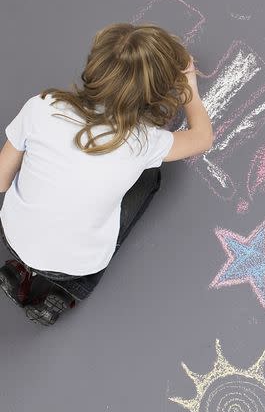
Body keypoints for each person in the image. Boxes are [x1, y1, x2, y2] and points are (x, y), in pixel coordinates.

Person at [0, 23, 215, 325]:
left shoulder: (42, 106)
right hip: (75, 264)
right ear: (154, 94)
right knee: (148, 179)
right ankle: (63, 296)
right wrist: (190, 86)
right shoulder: (143, 141)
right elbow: (202, 138)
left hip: (13, 234)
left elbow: (1, 178)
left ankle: (19, 270)